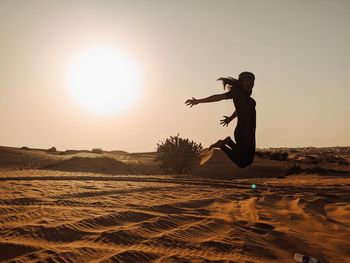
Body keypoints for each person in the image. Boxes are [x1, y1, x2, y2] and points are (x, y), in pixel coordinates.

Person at [185, 72, 256, 168]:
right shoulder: (236, 93)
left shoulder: (247, 98)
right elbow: (218, 97)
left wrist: (230, 118)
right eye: (248, 81)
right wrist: (198, 101)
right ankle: (222, 145)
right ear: (240, 82)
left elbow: (241, 110)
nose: (251, 84)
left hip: (251, 131)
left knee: (247, 160)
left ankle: (228, 142)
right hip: (242, 131)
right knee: (243, 162)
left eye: (252, 81)